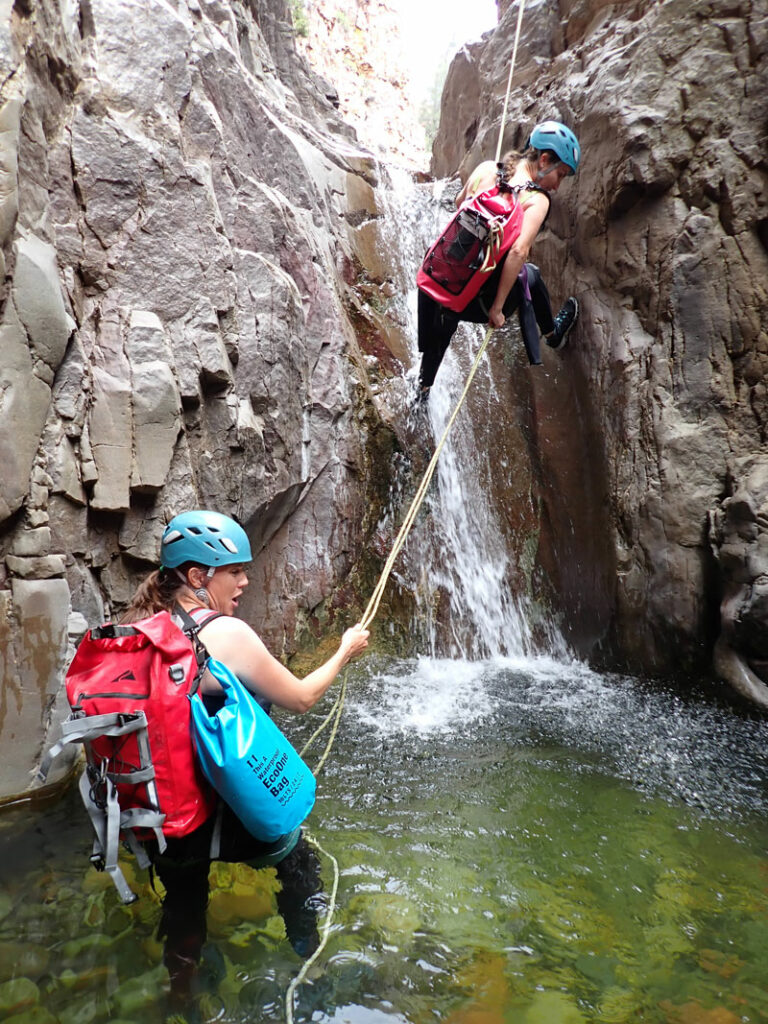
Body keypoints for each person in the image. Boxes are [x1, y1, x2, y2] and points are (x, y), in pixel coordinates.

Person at [121, 509, 369, 1010]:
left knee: (185, 899)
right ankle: (308, 959)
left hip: (164, 818)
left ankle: (182, 995)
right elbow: (300, 698)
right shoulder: (225, 635)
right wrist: (345, 650)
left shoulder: (138, 628)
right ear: (198, 577)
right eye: (234, 571)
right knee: (297, 858)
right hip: (219, 815)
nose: (245, 581)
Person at [417, 120, 581, 399]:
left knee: (445, 320)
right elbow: (518, 252)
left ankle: (422, 389)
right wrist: (496, 309)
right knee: (531, 274)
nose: (558, 185)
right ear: (544, 160)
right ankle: (553, 335)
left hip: (441, 277)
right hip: (477, 298)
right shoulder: (537, 200)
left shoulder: (487, 169)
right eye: (561, 175)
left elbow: (459, 203)